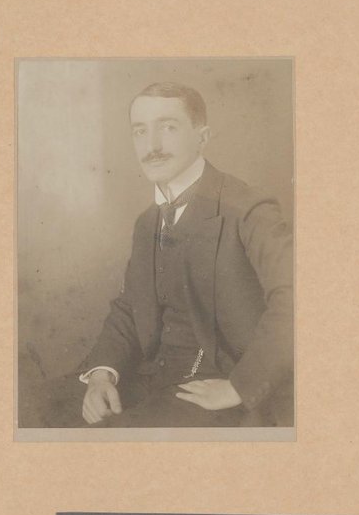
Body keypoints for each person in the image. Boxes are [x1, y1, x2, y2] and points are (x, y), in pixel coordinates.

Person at [38, 81, 293, 428]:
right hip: (151, 379)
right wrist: (101, 375)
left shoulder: (248, 208)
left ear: (202, 137)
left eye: (168, 128)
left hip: (219, 392)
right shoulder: (147, 222)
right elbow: (130, 307)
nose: (152, 146)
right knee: (38, 408)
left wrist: (239, 387)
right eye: (140, 131)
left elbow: (299, 297)